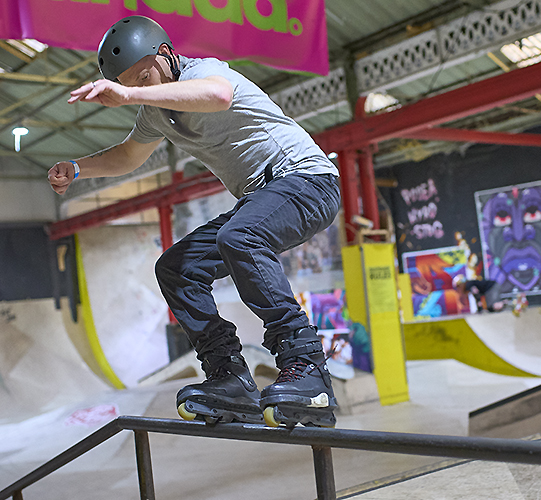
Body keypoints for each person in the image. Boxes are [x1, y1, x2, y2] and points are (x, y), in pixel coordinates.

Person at [47, 16, 340, 428]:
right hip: (262, 196)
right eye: (133, 83)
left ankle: (307, 366)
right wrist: (77, 168)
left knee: (240, 237)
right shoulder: (154, 113)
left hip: (309, 181)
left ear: (165, 55)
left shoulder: (204, 72)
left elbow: (219, 95)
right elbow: (129, 156)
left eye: (145, 76)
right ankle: (229, 376)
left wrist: (128, 92)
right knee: (177, 268)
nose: (146, 89)